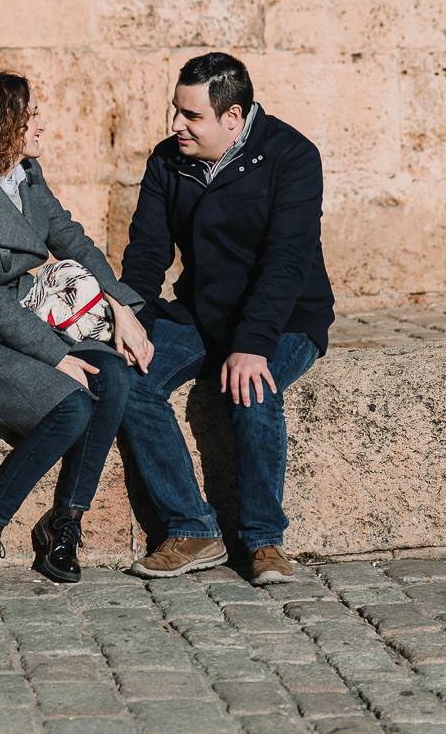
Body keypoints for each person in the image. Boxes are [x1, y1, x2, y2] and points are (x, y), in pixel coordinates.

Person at [0, 72, 153, 592]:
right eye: (31, 116)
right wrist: (55, 357)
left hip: (23, 314)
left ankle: (64, 522)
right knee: (72, 404)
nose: (41, 125)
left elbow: (69, 237)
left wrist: (120, 304)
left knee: (112, 374)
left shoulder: (25, 175)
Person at [119, 52, 334, 585]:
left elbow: (287, 260)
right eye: (176, 110)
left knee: (251, 388)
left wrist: (253, 343)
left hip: (284, 319)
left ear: (232, 117)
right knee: (126, 378)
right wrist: (133, 320)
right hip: (200, 313)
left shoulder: (291, 157)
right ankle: (192, 528)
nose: (176, 125)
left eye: (190, 116)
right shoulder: (168, 161)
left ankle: (263, 541)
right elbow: (147, 254)